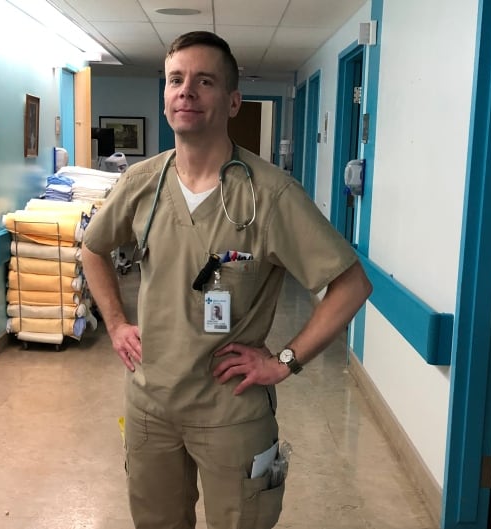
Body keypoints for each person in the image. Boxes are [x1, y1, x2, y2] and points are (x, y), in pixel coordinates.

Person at [81, 31, 372, 529]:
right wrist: (115, 323)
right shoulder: (140, 183)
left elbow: (351, 285)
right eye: (176, 79)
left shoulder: (272, 195)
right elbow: (92, 249)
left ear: (232, 100)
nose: (186, 90)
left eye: (204, 81)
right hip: (151, 405)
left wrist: (284, 361)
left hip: (231, 410)